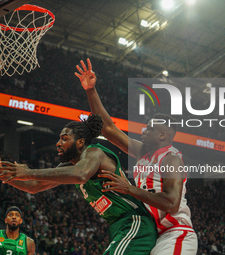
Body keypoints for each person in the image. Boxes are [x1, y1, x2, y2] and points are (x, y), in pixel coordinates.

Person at [0, 114, 158, 255]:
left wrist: (27, 171)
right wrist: (1, 173)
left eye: (64, 138)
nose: (58, 143)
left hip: (135, 221)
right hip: (118, 226)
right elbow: (34, 186)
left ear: (80, 142)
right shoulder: (71, 165)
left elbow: (82, 175)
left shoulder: (94, 154)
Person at [75, 59, 198, 255]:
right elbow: (108, 129)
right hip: (151, 233)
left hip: (174, 232)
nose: (143, 131)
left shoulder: (171, 159)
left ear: (163, 135)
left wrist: (129, 189)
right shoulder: (143, 152)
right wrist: (90, 90)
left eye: (149, 129)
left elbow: (171, 203)